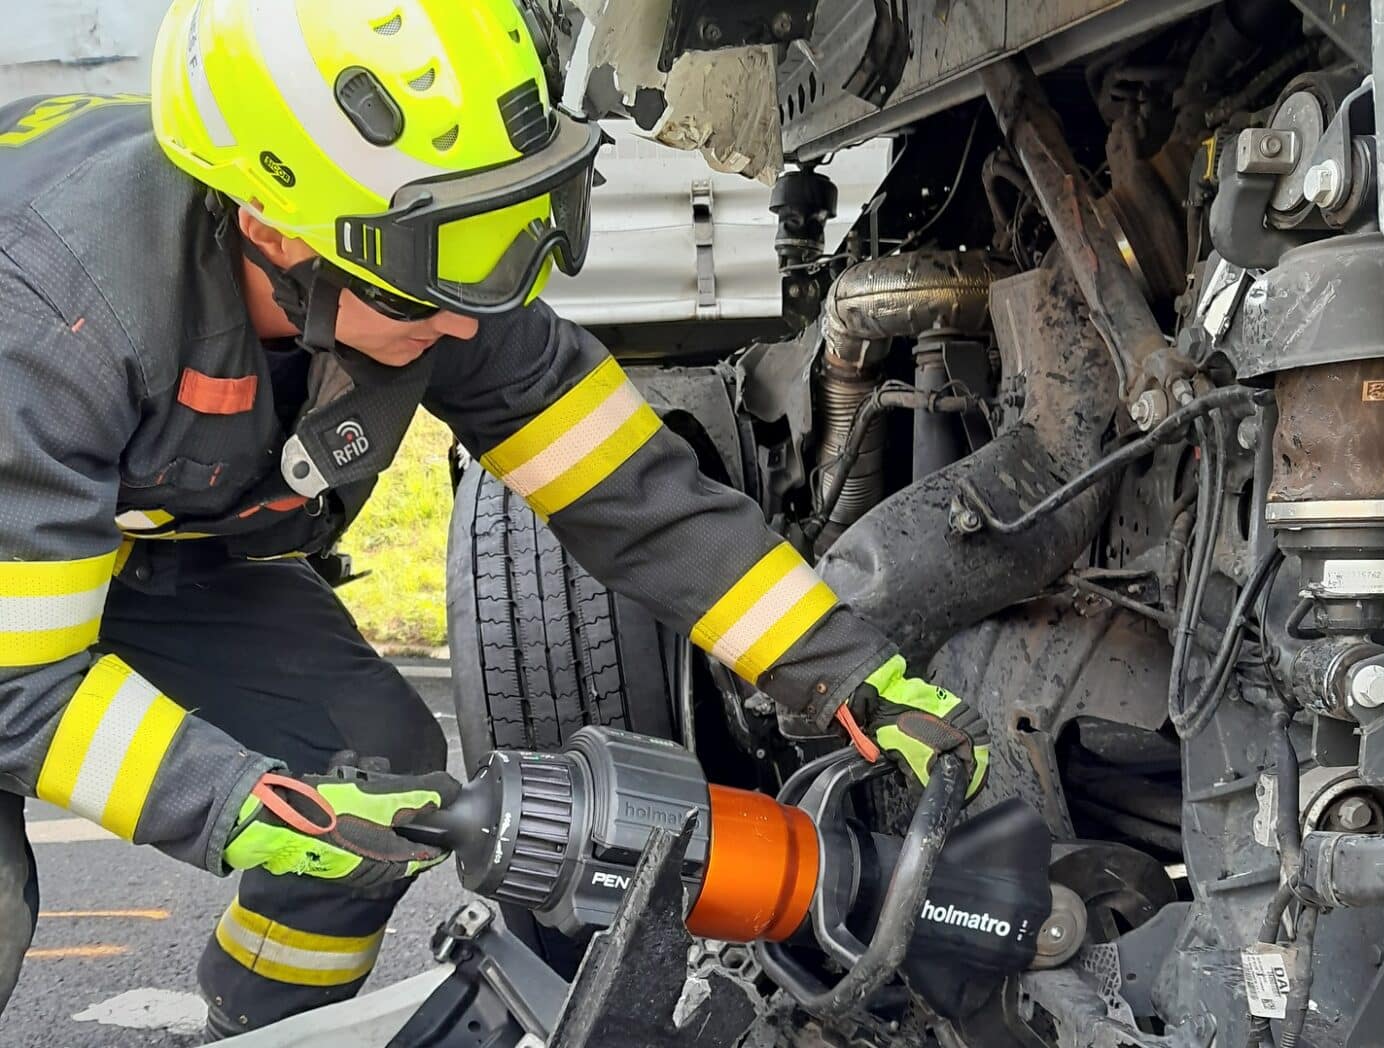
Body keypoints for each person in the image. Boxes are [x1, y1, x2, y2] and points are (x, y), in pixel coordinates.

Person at [0, 0, 990, 1035]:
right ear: (271, 228)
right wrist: (243, 803)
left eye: (505, 228)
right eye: (443, 263)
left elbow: (638, 499)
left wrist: (850, 677)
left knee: (367, 773)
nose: (471, 314)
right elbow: (20, 685)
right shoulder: (47, 319)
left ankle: (256, 1023)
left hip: (149, 545)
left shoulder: (421, 256)